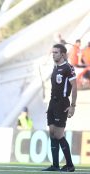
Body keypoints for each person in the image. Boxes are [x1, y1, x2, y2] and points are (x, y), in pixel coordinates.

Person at [42, 44, 77, 172]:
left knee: (59, 134)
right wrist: (50, 105)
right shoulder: (55, 67)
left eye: (56, 52)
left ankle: (70, 165)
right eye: (53, 52)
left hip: (62, 103)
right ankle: (55, 165)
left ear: (62, 54)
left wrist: (72, 106)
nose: (53, 54)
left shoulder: (68, 68)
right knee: (52, 132)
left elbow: (74, 87)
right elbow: (54, 87)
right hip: (53, 103)